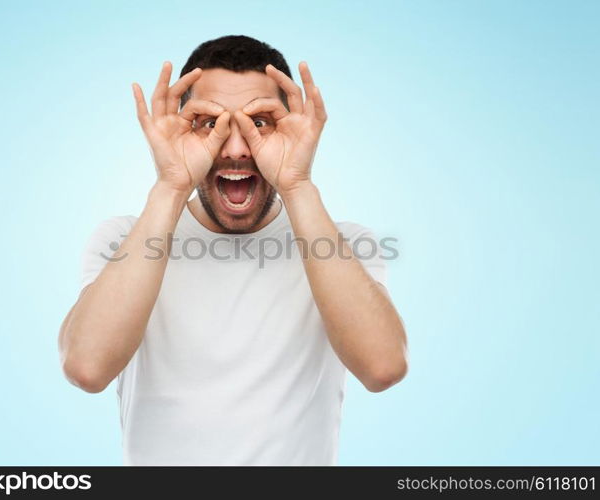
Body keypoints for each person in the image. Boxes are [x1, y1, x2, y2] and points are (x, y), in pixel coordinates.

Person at [58, 35, 408, 466]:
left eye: (259, 122)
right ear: (183, 127)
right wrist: (171, 185)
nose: (237, 148)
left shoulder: (347, 244)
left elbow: (383, 368)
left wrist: (297, 184)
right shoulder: (123, 239)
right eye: (210, 122)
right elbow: (86, 369)